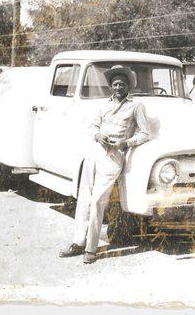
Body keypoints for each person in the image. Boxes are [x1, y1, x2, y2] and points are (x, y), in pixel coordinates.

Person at [59, 65, 150, 264]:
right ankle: (78, 242)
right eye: (115, 84)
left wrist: (125, 143)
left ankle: (91, 249)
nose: (118, 87)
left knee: (98, 202)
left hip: (114, 158)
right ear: (110, 86)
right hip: (95, 154)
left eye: (122, 84)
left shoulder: (136, 106)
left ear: (128, 87)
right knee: (84, 199)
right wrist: (98, 135)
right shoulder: (102, 105)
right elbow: (92, 127)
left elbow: (145, 133)